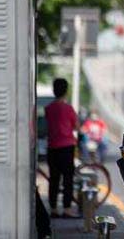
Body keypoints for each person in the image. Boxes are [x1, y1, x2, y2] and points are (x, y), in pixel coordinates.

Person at [44, 78, 80, 218]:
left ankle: (53, 209)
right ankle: (66, 208)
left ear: (54, 91)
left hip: (52, 147)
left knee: (54, 178)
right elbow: (76, 126)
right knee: (67, 179)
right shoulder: (68, 108)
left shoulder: (48, 109)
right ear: (66, 91)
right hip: (66, 147)